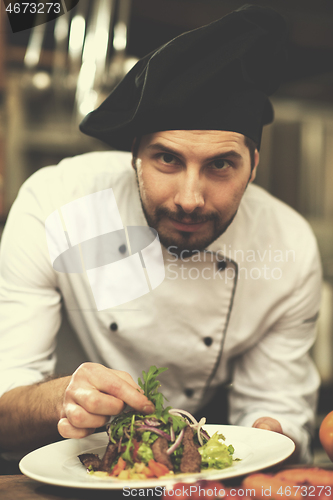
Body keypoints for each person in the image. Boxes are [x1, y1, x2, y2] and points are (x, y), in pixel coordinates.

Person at [0, 5, 321, 464]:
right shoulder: (55, 206)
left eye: (220, 164)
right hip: (65, 458)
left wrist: (269, 434)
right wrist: (60, 400)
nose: (190, 198)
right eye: (168, 159)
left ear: (255, 163)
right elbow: (3, 406)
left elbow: (275, 406)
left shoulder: (288, 247)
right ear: (134, 154)